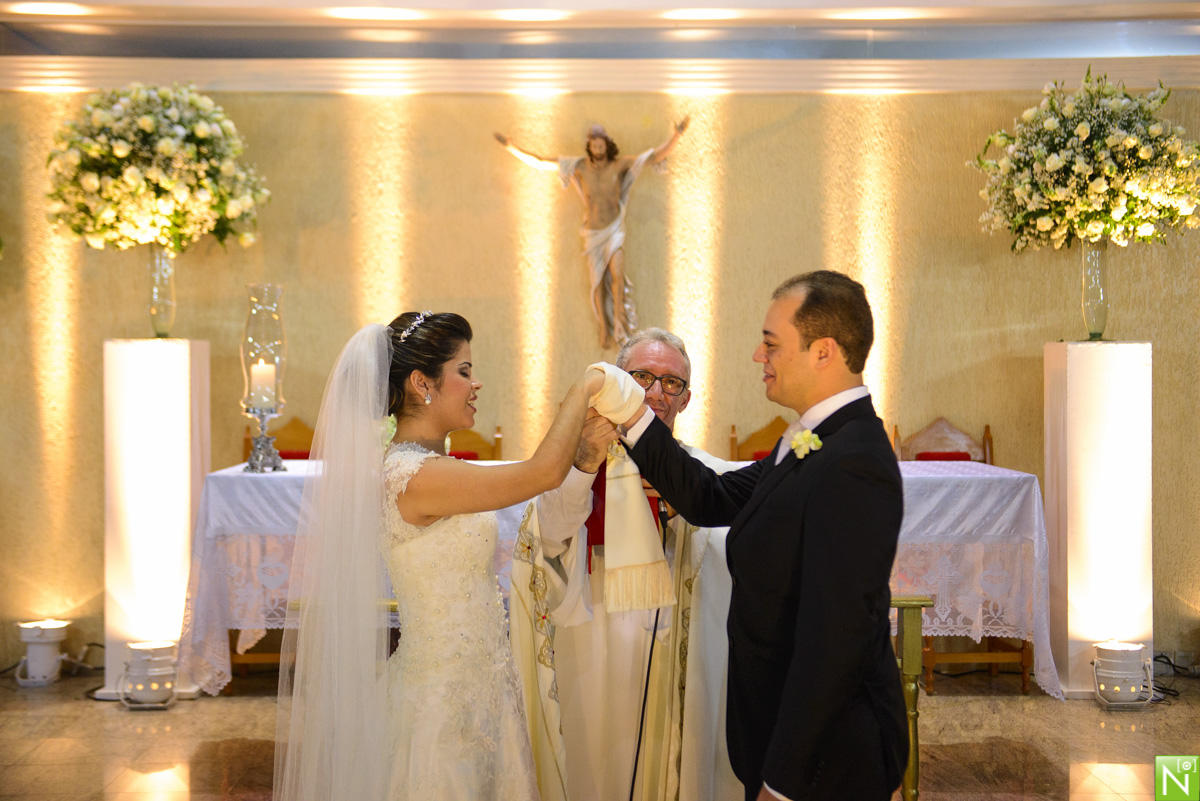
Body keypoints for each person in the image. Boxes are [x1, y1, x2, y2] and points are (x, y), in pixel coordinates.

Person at [273, 311, 644, 801]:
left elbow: (544, 479)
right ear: (422, 383)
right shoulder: (413, 476)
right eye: (464, 371)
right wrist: (585, 386)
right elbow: (540, 474)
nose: (476, 383)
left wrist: (583, 454)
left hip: (482, 687)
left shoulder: (437, 468)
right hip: (441, 708)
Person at [622, 272, 908, 801]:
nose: (759, 355)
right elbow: (710, 497)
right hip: (778, 732)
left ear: (823, 352)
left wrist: (783, 783)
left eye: (772, 343)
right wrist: (629, 414)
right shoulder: (812, 438)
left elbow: (836, 640)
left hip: (828, 758)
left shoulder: (855, 462)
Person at [530, 327, 742, 801]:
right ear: (616, 385)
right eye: (641, 377)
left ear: (686, 400)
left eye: (672, 384)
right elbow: (547, 537)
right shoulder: (573, 459)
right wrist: (585, 460)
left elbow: (730, 555)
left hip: (671, 654)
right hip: (592, 643)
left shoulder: (704, 474)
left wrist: (677, 512)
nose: (655, 393)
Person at [495, 119, 690, 349]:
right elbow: (541, 162)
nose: (598, 149)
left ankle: (618, 321)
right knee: (597, 281)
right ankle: (603, 326)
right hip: (593, 232)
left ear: (607, 146)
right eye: (594, 145)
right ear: (590, 147)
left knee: (617, 273)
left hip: (614, 229)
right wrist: (512, 147)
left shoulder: (619, 165)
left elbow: (654, 157)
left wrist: (676, 135)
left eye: (601, 145)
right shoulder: (580, 166)